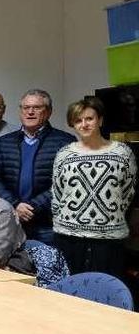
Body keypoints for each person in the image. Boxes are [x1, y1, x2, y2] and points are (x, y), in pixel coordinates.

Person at [52, 97, 137, 279]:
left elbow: (128, 192)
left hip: (109, 238)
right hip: (69, 236)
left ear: (100, 120)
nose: (84, 124)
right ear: (72, 124)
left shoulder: (122, 152)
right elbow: (57, 193)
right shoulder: (64, 154)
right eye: (78, 120)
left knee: (105, 293)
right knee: (70, 292)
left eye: (89, 118)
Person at [0, 89, 75, 245]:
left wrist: (33, 207)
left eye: (36, 108)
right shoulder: (4, 142)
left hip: (48, 224)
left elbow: (67, 183)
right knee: (11, 267)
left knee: (49, 267)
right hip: (10, 219)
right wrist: (15, 204)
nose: (30, 112)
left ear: (48, 112)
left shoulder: (65, 142)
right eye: (25, 107)